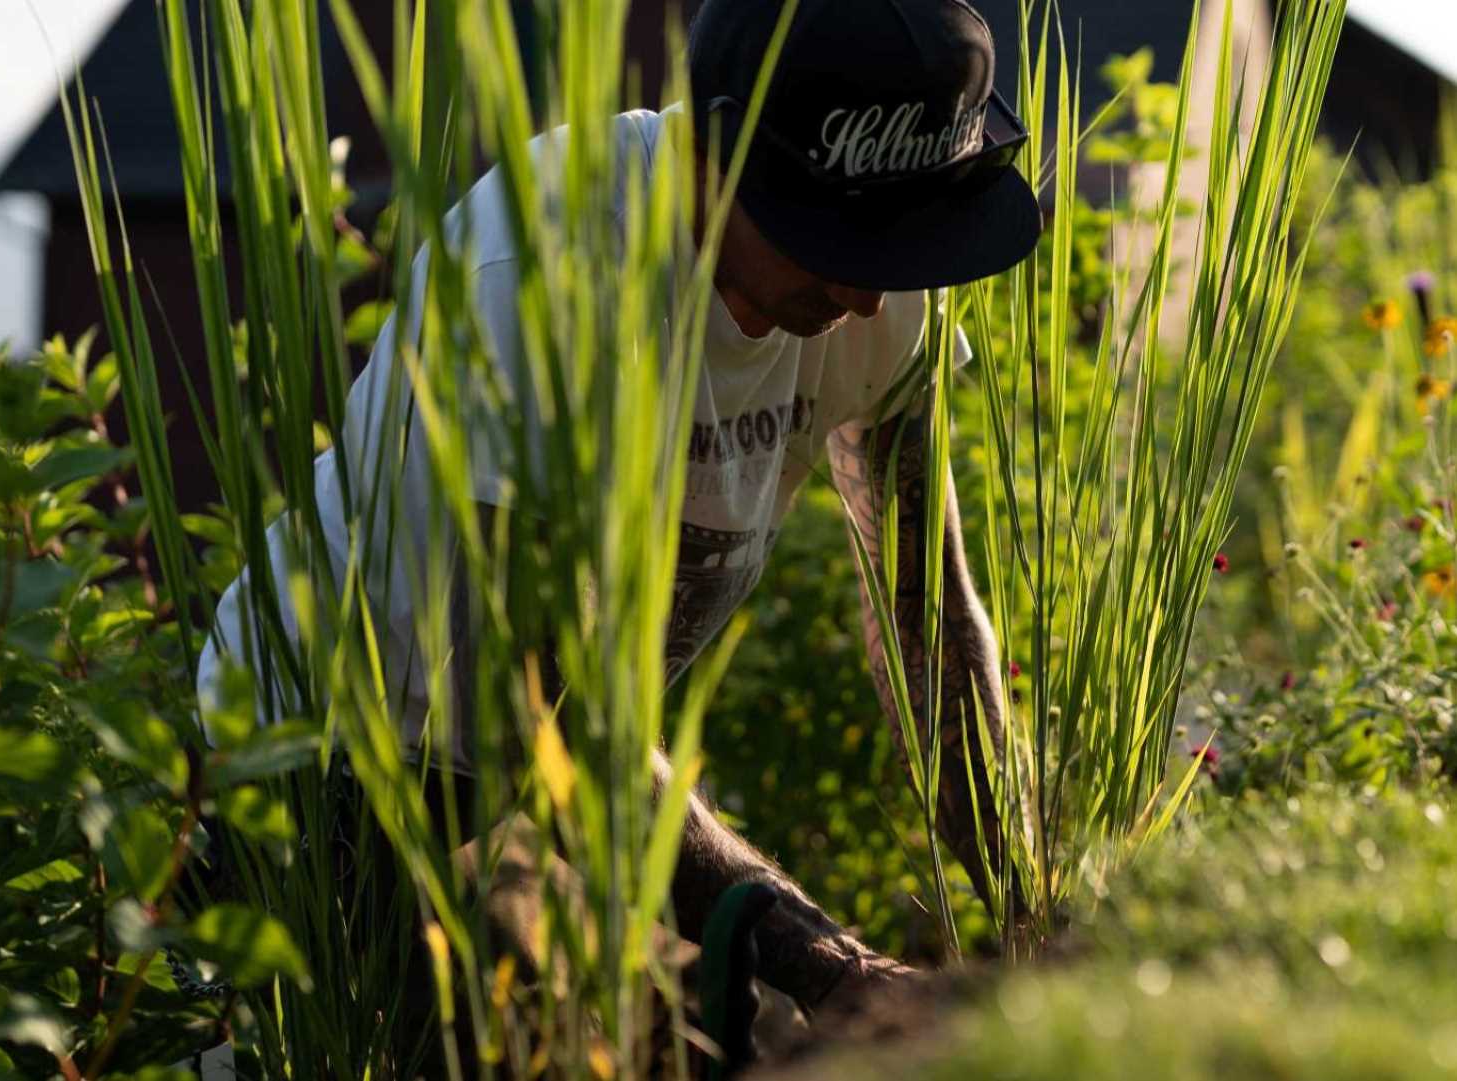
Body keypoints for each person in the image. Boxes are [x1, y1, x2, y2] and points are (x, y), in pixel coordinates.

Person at [196, 0, 1042, 1027]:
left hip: (510, 785)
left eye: (897, 243)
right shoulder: (549, 267)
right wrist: (830, 962)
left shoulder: (879, 291)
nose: (865, 295)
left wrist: (1028, 908)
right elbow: (552, 704)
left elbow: (928, 622)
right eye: (836, 235)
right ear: (713, 149)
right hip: (312, 764)